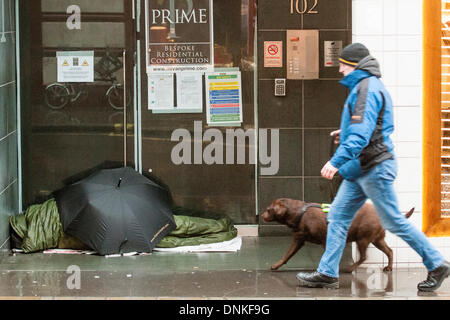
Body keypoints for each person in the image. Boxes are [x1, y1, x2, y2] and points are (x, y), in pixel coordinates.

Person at [296, 43, 449, 291]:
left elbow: (361, 135)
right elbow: (364, 129)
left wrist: (335, 161)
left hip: (374, 168)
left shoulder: (366, 89)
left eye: (343, 66)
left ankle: (437, 263)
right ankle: (327, 273)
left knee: (393, 222)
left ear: (354, 66)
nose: (340, 71)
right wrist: (344, 132)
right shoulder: (365, 86)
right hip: (360, 169)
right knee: (336, 216)